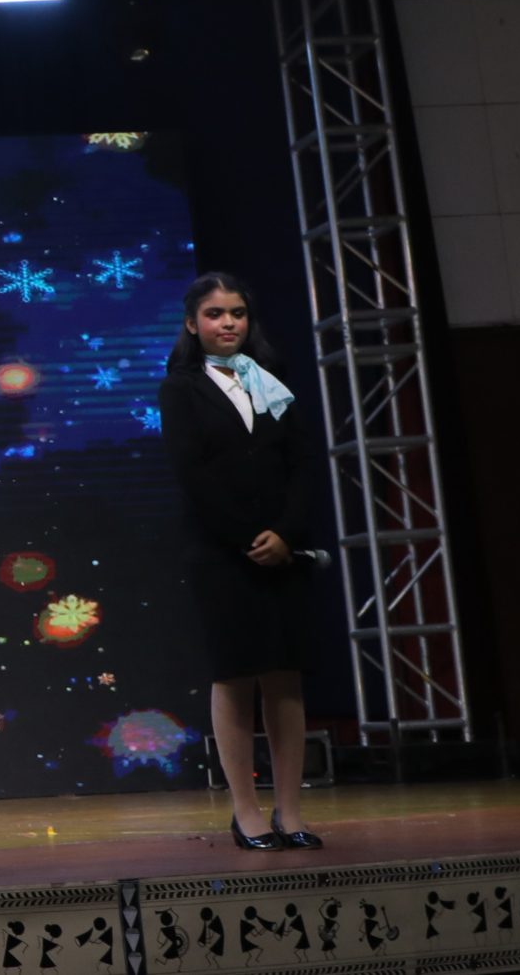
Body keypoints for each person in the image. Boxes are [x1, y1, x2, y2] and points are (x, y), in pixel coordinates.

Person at [155, 272, 324, 851]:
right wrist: (249, 538)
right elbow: (192, 473)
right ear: (191, 323)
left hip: (282, 551)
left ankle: (290, 811)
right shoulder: (180, 388)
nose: (228, 323)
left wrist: (286, 533)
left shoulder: (270, 381)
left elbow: (303, 463)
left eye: (238, 313)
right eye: (215, 313)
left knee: (285, 677)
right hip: (222, 552)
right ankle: (246, 812)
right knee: (235, 676)